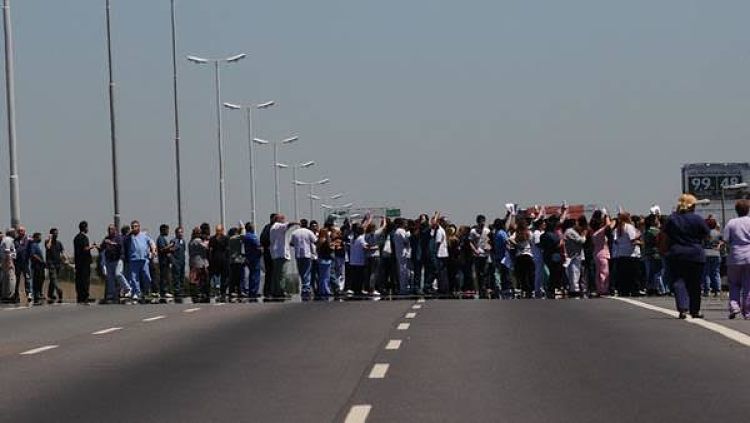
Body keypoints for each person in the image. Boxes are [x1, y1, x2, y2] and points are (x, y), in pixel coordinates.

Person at [664, 194, 710, 319]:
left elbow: (665, 235)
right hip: (696, 253)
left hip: (677, 253)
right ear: (692, 206)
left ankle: (683, 309)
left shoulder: (672, 219)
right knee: (695, 283)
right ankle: (695, 310)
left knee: (679, 281)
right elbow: (707, 234)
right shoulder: (697, 219)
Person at [723, 199, 750, 319]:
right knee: (748, 285)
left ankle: (734, 306)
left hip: (734, 256)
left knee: (734, 284)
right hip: (749, 256)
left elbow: (726, 239)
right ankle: (748, 312)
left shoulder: (731, 223)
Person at [123, 220, 156, 302]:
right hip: (134, 259)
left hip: (144, 259)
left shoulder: (144, 235)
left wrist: (153, 251)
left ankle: (147, 291)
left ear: (139, 227)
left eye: (136, 226)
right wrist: (130, 233)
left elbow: (151, 243)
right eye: (133, 226)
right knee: (134, 278)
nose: (134, 228)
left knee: (146, 276)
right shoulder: (129, 237)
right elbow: (124, 240)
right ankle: (137, 293)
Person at [612, 212, 642, 297]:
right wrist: (639, 237)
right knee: (634, 274)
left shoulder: (617, 229)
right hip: (631, 254)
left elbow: (616, 241)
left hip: (621, 253)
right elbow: (632, 239)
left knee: (623, 274)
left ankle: (624, 291)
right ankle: (634, 291)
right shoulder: (629, 227)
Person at [269, 214, 298, 299]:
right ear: (278, 219)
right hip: (281, 254)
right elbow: (288, 225)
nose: (284, 220)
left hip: (276, 254)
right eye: (283, 218)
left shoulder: (274, 227)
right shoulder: (278, 226)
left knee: (276, 274)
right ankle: (281, 291)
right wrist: (296, 223)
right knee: (282, 274)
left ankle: (275, 290)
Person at [290, 219, 318, 299]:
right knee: (307, 272)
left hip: (298, 255)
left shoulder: (295, 232)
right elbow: (315, 241)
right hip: (307, 254)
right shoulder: (309, 232)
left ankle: (304, 287)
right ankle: (306, 288)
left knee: (301, 272)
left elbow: (291, 243)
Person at [101, 224, 127, 303]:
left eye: (111, 229)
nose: (109, 231)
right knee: (110, 278)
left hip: (118, 259)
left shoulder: (118, 238)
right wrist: (103, 244)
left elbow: (120, 246)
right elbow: (102, 247)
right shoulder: (106, 238)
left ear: (115, 230)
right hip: (109, 260)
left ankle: (127, 288)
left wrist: (111, 243)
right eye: (108, 229)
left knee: (118, 274)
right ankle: (112, 294)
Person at [509, 219, 535, 298]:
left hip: (519, 255)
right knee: (530, 273)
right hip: (528, 254)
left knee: (522, 274)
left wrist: (517, 245)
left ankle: (525, 289)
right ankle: (531, 289)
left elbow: (509, 239)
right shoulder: (528, 232)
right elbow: (532, 242)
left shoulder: (516, 233)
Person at [469, 215, 492, 298]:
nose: (482, 223)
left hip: (485, 254)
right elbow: (470, 242)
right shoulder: (473, 231)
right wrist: (475, 250)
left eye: (483, 221)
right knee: (478, 273)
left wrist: (489, 247)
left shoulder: (487, 231)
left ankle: (485, 288)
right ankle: (480, 289)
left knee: (485, 272)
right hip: (477, 254)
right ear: (478, 222)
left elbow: (490, 241)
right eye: (481, 222)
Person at [564, 218, 588, 297]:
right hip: (573, 255)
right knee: (574, 272)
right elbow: (581, 240)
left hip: (576, 255)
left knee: (576, 272)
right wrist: (584, 235)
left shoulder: (573, 231)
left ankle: (575, 289)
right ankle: (574, 290)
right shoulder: (570, 231)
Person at [590, 211, 612, 296]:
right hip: (603, 254)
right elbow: (609, 225)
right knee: (604, 272)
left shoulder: (594, 233)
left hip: (596, 254)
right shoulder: (600, 232)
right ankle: (604, 289)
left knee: (598, 273)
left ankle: (599, 289)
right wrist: (606, 216)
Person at [73, 221, 96, 304]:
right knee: (85, 280)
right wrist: (92, 247)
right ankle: (85, 297)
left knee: (79, 280)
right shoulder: (84, 238)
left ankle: (79, 296)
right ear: (85, 228)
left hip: (78, 262)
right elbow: (85, 248)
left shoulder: (76, 238)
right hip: (84, 262)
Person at [701, 217, 722, 297]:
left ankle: (707, 290)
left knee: (706, 273)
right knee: (716, 272)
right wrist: (719, 245)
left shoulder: (705, 233)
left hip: (706, 253)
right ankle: (717, 290)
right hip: (716, 253)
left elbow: (701, 243)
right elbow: (722, 241)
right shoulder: (718, 233)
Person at [188, 227, 210, 301]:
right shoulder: (198, 240)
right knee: (201, 279)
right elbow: (206, 247)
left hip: (192, 262)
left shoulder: (191, 241)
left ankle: (194, 294)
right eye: (199, 233)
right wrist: (208, 240)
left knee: (194, 279)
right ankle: (199, 293)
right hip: (199, 263)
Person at [208, 224, 229, 299]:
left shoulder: (224, 238)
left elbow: (227, 249)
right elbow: (210, 250)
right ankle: (219, 290)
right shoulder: (214, 239)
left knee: (222, 277)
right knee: (217, 277)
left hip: (220, 260)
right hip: (217, 260)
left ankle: (221, 291)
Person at [242, 222, 262, 299]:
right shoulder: (252, 237)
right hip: (254, 258)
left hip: (249, 257)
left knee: (251, 275)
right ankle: (254, 291)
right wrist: (261, 250)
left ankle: (251, 290)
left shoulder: (245, 237)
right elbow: (258, 246)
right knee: (255, 275)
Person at [392, 218, 411, 295]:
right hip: (403, 253)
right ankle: (404, 289)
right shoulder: (401, 231)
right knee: (404, 272)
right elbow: (406, 240)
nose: (406, 224)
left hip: (399, 253)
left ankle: (403, 287)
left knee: (402, 271)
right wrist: (409, 234)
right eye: (405, 223)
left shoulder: (396, 231)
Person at [45, 228, 64, 303]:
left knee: (53, 280)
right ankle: (59, 291)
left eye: (57, 233)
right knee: (54, 278)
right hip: (51, 264)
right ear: (51, 234)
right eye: (55, 233)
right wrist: (50, 239)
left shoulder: (59, 243)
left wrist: (66, 260)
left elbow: (62, 252)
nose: (56, 234)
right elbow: (48, 247)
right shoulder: (47, 242)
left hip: (58, 264)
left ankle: (50, 294)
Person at [259, 214, 276, 299]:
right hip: (270, 253)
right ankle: (270, 291)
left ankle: (268, 290)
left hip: (269, 252)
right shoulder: (270, 228)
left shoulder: (267, 227)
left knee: (270, 273)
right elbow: (263, 239)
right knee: (271, 272)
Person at [13, 226, 31, 303]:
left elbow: (27, 249)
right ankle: (16, 295)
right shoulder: (15, 240)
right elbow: (17, 250)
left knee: (27, 279)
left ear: (24, 231)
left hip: (26, 263)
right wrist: (23, 247)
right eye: (19, 231)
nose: (20, 232)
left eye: (22, 231)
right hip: (17, 263)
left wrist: (22, 247)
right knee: (17, 280)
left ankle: (29, 294)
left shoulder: (28, 240)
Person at [156, 224, 174, 299]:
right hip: (163, 261)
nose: (168, 231)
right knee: (164, 276)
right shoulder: (160, 239)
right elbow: (162, 249)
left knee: (166, 276)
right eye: (166, 230)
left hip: (166, 261)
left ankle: (165, 291)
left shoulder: (163, 238)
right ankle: (163, 291)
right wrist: (170, 246)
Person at [316, 228, 334, 298]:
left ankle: (322, 290)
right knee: (326, 277)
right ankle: (326, 290)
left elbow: (317, 248)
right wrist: (328, 237)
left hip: (321, 259)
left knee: (322, 276)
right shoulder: (325, 240)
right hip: (325, 260)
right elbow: (331, 247)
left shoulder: (319, 240)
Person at [227, 226, 245, 299]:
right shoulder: (235, 238)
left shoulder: (229, 239)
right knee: (239, 277)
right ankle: (239, 291)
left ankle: (232, 291)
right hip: (237, 260)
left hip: (232, 260)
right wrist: (243, 228)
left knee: (233, 277)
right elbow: (243, 236)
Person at [0, 229, 17, 303]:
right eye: (14, 232)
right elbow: (7, 251)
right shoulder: (8, 240)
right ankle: (10, 296)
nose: (15, 233)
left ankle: (5, 296)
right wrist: (10, 262)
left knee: (6, 279)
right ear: (11, 233)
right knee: (11, 279)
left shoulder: (7, 239)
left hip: (6, 260)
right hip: (7, 261)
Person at [28, 233, 45, 305]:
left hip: (40, 266)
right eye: (39, 237)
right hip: (36, 266)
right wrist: (41, 261)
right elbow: (33, 254)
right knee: (36, 281)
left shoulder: (37, 245)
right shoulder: (34, 245)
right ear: (35, 238)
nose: (40, 239)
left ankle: (38, 294)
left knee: (41, 279)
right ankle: (36, 296)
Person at [171, 226, 187, 298]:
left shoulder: (183, 241)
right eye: (179, 232)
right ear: (176, 233)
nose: (180, 234)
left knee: (182, 276)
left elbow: (184, 250)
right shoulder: (173, 241)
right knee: (176, 277)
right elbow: (171, 250)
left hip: (182, 261)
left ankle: (182, 290)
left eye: (181, 232)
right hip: (176, 261)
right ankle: (177, 291)